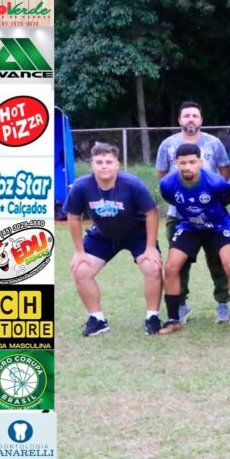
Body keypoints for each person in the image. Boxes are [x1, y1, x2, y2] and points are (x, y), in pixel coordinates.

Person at [64, 143, 163, 336]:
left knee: (153, 267)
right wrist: (79, 251)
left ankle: (152, 316)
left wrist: (151, 247)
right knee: (81, 270)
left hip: (137, 234)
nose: (104, 166)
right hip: (103, 235)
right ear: (92, 165)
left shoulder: (132, 184)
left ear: (117, 164)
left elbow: (151, 213)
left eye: (108, 161)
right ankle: (97, 319)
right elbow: (74, 217)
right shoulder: (82, 186)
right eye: (99, 162)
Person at [155, 101, 230, 324]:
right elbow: (162, 176)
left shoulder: (213, 143)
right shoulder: (168, 144)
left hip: (211, 214)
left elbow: (224, 172)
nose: (191, 119)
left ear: (201, 119)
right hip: (179, 214)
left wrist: (208, 198)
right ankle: (180, 305)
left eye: (195, 116)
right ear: (180, 120)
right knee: (179, 263)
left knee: (218, 261)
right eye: (186, 116)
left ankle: (222, 304)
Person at [157, 143, 230, 335]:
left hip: (219, 227)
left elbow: (229, 198)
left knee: (229, 265)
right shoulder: (167, 184)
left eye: (191, 162)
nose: (187, 167)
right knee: (171, 267)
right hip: (190, 226)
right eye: (182, 163)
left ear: (201, 162)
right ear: (175, 163)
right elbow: (172, 199)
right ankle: (173, 319)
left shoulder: (216, 182)